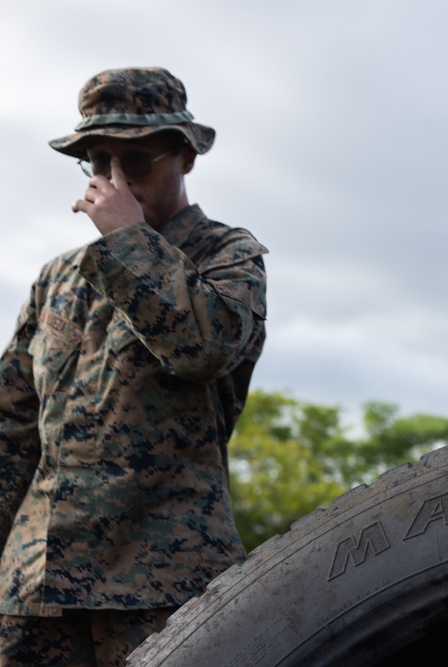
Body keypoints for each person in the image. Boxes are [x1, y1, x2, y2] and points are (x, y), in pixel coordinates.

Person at [0, 68, 267, 665]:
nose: (114, 181)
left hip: (163, 584)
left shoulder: (229, 256)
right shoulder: (58, 278)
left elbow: (205, 349)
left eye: (138, 160)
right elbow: (12, 426)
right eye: (99, 162)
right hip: (35, 587)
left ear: (186, 157)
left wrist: (127, 238)